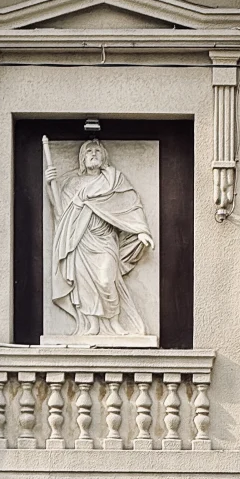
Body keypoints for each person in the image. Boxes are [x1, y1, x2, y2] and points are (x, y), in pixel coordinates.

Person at [45, 138, 153, 336]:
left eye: (97, 151)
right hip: (80, 240)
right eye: (88, 152)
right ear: (82, 159)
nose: (93, 154)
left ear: (104, 156)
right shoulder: (73, 183)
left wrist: (141, 230)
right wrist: (51, 186)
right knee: (84, 284)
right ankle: (92, 324)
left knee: (105, 280)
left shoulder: (114, 180)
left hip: (105, 240)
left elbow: (130, 205)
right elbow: (62, 214)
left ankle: (114, 322)